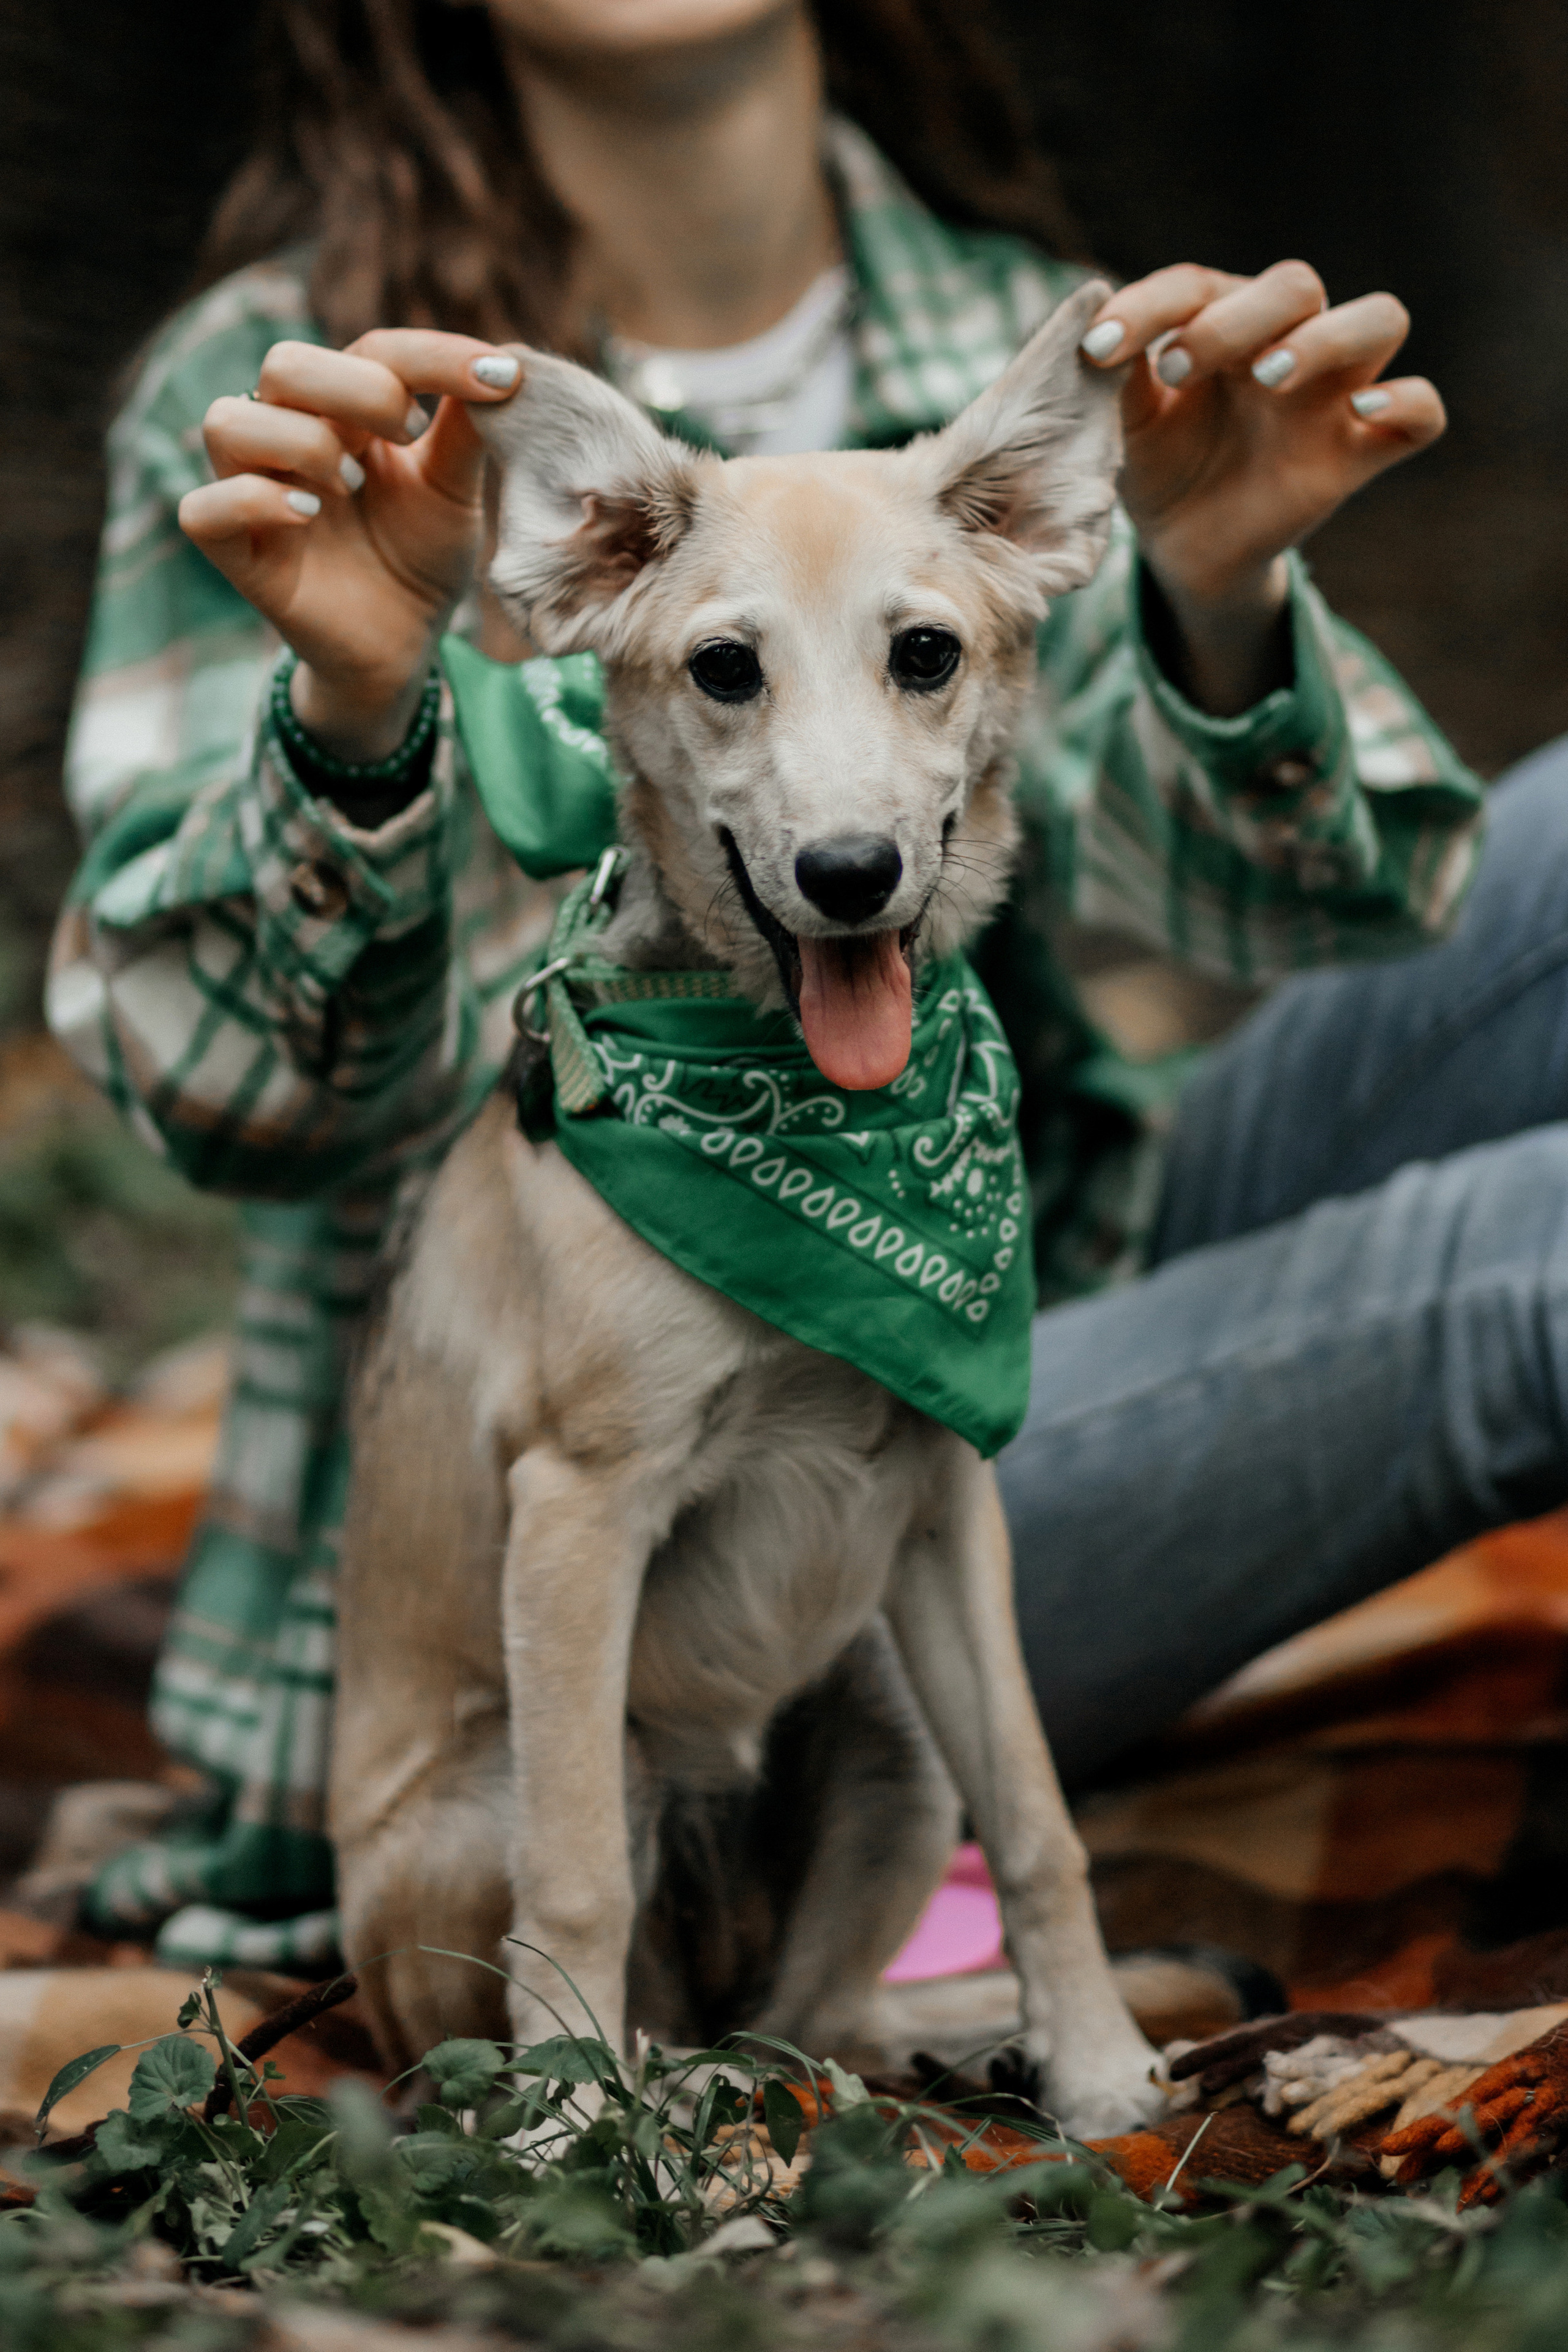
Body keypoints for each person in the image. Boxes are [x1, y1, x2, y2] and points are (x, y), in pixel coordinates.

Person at [51, 0, 1526, 1973]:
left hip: (1009, 1300)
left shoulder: (1004, 334)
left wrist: (1220, 590)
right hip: (659, 1533)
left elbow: (1353, 907)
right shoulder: (294, 398)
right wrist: (356, 709)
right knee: (1530, 1256)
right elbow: (225, 1103)